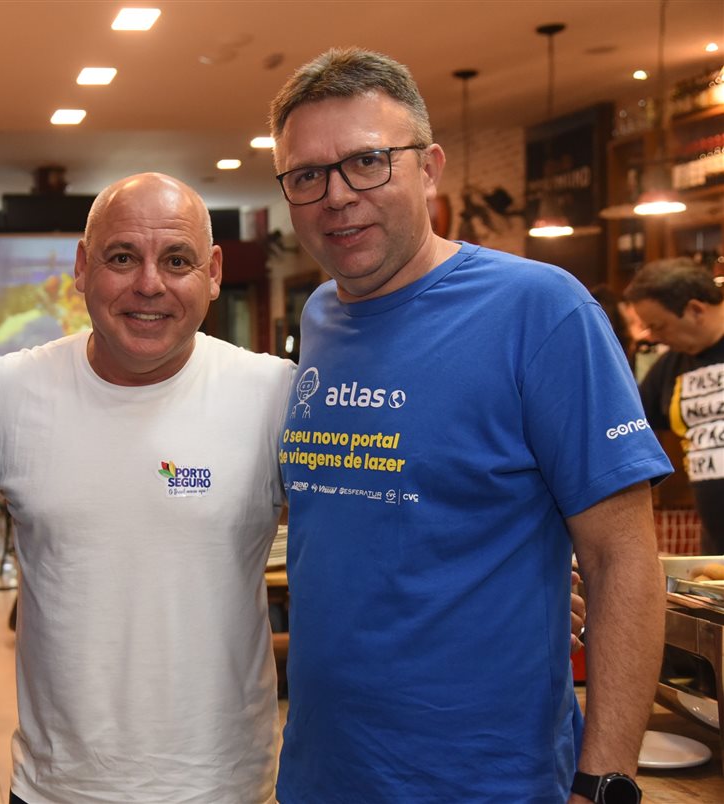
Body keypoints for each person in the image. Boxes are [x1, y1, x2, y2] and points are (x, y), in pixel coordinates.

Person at [269, 48, 671, 803]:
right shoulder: (320, 316)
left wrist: (605, 777)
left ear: (429, 169)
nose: (337, 195)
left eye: (368, 162)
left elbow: (623, 560)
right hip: (324, 771)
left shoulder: (542, 311)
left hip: (490, 780)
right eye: (307, 175)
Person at [0, 173, 297, 803]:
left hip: (224, 786)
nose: (150, 284)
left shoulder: (272, 393)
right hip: (58, 788)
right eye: (123, 258)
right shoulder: (11, 389)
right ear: (83, 268)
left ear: (215, 271)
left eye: (177, 260)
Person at [623, 257, 724, 555]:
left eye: (658, 326)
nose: (653, 336)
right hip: (716, 545)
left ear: (695, 309)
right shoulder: (670, 366)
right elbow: (629, 424)